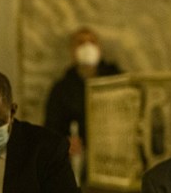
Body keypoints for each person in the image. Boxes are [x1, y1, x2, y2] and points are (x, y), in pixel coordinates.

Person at [44, 27, 123, 180]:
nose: (87, 47)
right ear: (72, 51)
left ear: (99, 48)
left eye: (92, 42)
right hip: (80, 165)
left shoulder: (117, 80)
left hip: (116, 157)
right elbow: (50, 130)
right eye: (80, 43)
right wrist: (65, 143)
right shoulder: (62, 89)